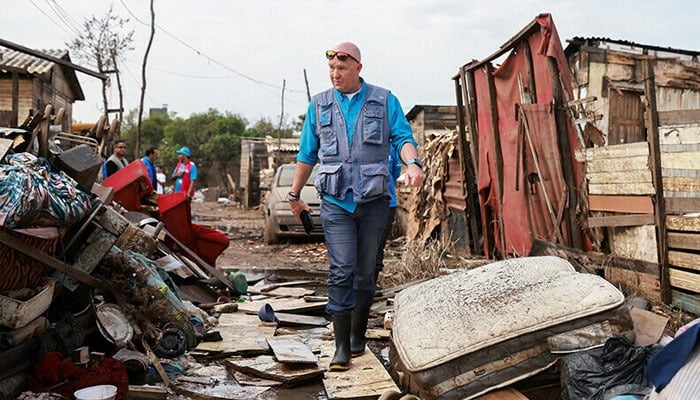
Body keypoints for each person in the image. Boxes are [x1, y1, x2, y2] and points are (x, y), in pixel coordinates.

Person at [288, 41, 425, 371]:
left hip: (376, 202)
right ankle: (340, 347)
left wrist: (413, 164)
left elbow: (403, 139)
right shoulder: (319, 105)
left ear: (358, 68)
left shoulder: (384, 99)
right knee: (342, 269)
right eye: (332, 69)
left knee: (366, 273)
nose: (336, 74)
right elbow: (307, 155)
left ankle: (357, 336)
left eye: (342, 69)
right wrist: (294, 196)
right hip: (336, 202)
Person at [375, 146, 403, 289]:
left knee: (377, 247)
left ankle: (370, 285)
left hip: (387, 203)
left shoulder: (392, 148)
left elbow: (396, 173)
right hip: (363, 204)